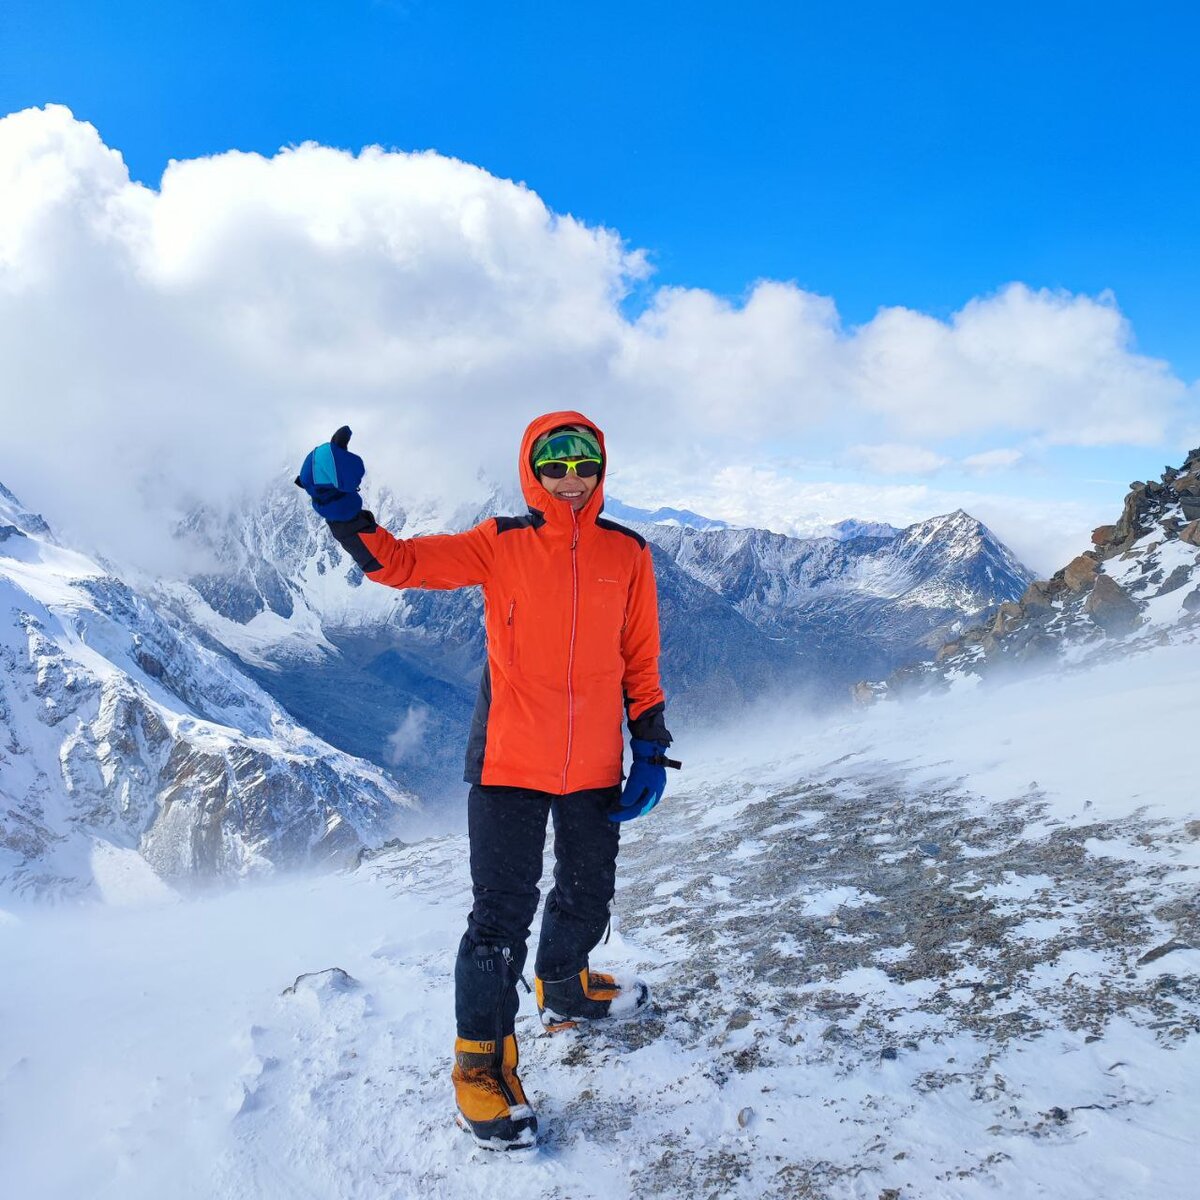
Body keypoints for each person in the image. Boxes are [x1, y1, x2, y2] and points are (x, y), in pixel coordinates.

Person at [297, 411, 676, 1151]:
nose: (571, 478)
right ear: (531, 471)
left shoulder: (628, 554)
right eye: (555, 464)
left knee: (588, 891)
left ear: (602, 470)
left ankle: (564, 986)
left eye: (584, 464)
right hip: (508, 760)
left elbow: (641, 656)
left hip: (595, 762)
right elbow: (397, 564)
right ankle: (480, 1065)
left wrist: (650, 745)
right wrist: (343, 511)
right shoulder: (498, 545)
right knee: (499, 920)